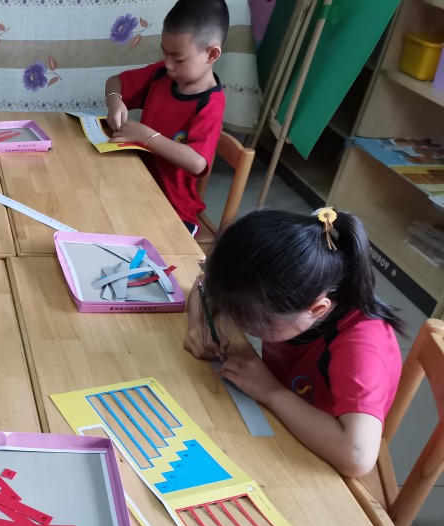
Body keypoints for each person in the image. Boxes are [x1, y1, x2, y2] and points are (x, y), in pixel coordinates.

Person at [184, 207, 405, 478]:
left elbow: (357, 457)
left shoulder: (363, 347)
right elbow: (206, 283)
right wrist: (199, 323)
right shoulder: (287, 284)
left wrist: (271, 392)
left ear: (317, 309)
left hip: (322, 458)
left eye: (253, 324)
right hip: (280, 420)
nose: (242, 326)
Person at [104, 0, 229, 234]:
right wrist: (115, 100)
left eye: (178, 58)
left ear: (211, 54)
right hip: (135, 186)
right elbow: (116, 81)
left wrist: (147, 136)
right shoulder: (161, 74)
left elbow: (197, 162)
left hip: (174, 210)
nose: (169, 64)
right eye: (165, 53)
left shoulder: (211, 103)